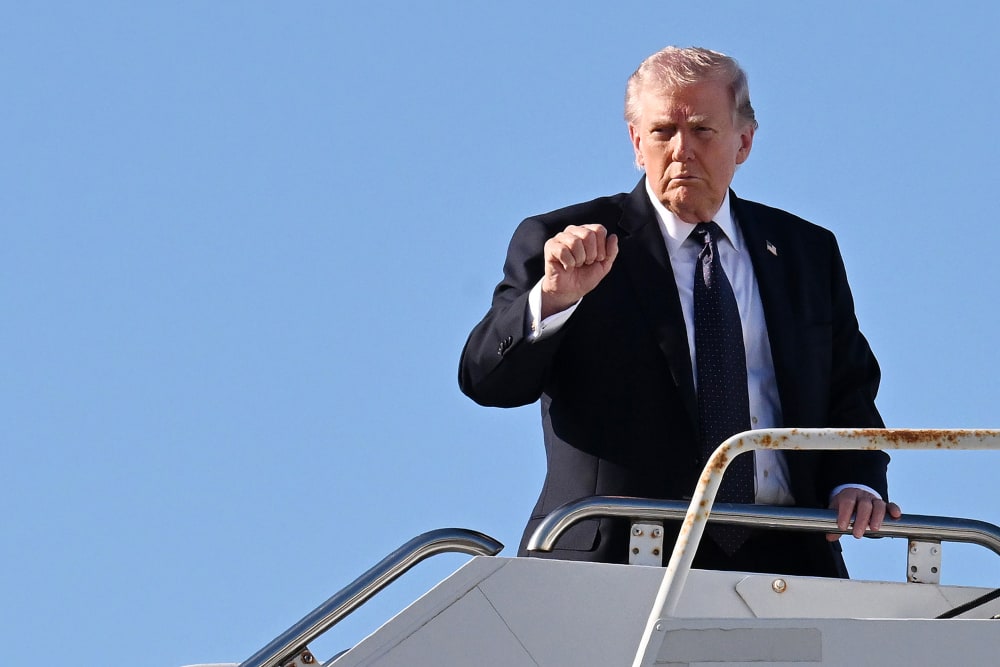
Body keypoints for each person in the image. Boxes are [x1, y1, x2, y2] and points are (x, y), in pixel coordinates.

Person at [458, 46, 901, 577]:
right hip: (615, 563)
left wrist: (856, 480)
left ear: (744, 142)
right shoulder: (568, 242)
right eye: (663, 131)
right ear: (636, 142)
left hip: (790, 556)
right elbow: (485, 380)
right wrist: (554, 298)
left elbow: (847, 389)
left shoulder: (806, 251)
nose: (681, 150)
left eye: (703, 131)